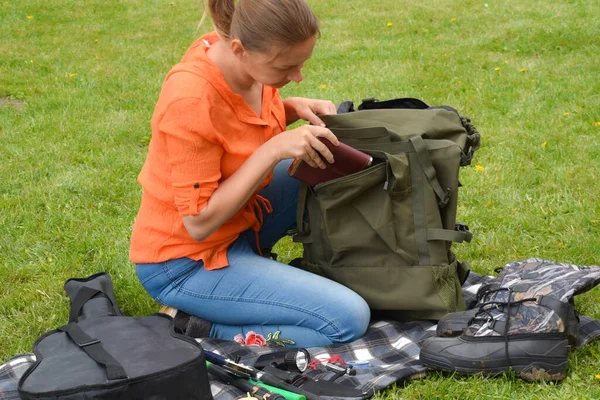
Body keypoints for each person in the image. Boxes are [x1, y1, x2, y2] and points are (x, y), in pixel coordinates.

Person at [130, 0, 370, 348]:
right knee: (346, 320)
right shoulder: (190, 99)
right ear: (240, 50)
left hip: (241, 223)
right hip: (185, 263)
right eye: (286, 67)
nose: (297, 76)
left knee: (326, 168)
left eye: (302, 63)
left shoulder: (243, 60)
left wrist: (291, 108)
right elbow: (197, 224)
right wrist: (273, 149)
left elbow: (235, 131)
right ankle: (197, 325)